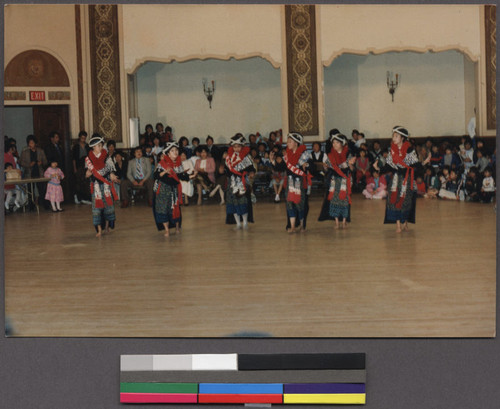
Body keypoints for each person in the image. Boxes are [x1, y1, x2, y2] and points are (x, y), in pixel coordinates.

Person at [374, 126, 430, 233]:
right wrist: (378, 168)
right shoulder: (392, 150)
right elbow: (389, 166)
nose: (394, 138)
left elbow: (415, 164)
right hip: (395, 179)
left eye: (396, 136)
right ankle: (398, 225)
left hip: (407, 178)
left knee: (406, 201)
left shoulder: (410, 150)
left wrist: (424, 163)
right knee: (394, 200)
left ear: (403, 138)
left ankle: (405, 222)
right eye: (393, 136)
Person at [271, 132, 312, 233]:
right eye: (288, 141)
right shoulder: (287, 155)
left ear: (296, 143)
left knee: (300, 205)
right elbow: (280, 168)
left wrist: (306, 165)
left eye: (290, 141)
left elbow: (312, 167)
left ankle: (302, 226)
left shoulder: (305, 154)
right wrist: (272, 161)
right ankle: (292, 226)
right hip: (289, 183)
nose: (288, 143)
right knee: (290, 204)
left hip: (300, 183)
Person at [152, 142, 191, 236]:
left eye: (176, 150)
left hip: (174, 189)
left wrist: (191, 176)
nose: (175, 152)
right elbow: (156, 175)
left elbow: (181, 175)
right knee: (163, 209)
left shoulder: (178, 163)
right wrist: (165, 171)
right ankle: (166, 230)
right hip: (163, 190)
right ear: (168, 153)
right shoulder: (162, 163)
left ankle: (177, 227)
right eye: (172, 150)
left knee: (175, 208)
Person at [318, 133, 356, 229]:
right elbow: (327, 169)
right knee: (334, 201)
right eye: (333, 142)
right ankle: (336, 222)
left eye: (337, 142)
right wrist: (325, 167)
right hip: (334, 181)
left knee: (344, 201)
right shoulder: (330, 155)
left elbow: (352, 169)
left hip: (345, 180)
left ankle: (344, 221)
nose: (334, 144)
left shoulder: (348, 154)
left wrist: (350, 164)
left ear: (342, 144)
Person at [85, 134, 119, 237]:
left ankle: (107, 226)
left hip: (106, 186)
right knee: (96, 209)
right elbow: (86, 173)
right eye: (98, 146)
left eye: (101, 145)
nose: (101, 147)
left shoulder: (106, 157)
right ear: (93, 147)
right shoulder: (88, 159)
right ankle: (99, 230)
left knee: (108, 206)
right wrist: (88, 173)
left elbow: (111, 169)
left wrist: (112, 175)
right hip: (95, 187)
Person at [224, 134, 256, 229]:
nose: (236, 148)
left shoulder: (246, 157)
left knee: (243, 203)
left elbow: (252, 168)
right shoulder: (228, 158)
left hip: (242, 182)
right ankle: (238, 223)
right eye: (234, 147)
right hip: (232, 183)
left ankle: (245, 222)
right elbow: (227, 171)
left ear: (242, 147)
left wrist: (252, 173)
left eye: (238, 146)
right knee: (233, 204)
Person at [19, 134, 48, 210]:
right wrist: (29, 165)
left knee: (42, 190)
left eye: (32, 143)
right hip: (29, 173)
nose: (30, 144)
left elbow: (45, 162)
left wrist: (41, 163)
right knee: (30, 191)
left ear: (35, 143)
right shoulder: (25, 151)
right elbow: (21, 162)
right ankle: (31, 206)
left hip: (39, 173)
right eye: (29, 143)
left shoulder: (40, 151)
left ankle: (45, 205)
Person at [72, 131, 92, 204]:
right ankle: (77, 197)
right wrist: (75, 168)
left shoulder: (87, 146)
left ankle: (85, 198)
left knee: (85, 182)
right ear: (79, 137)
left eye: (84, 138)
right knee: (78, 182)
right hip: (78, 166)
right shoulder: (76, 146)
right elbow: (74, 158)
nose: (83, 139)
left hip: (86, 166)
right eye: (82, 138)